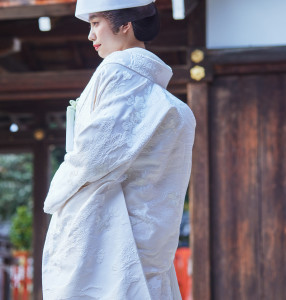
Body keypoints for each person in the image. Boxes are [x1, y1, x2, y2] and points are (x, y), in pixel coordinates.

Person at [42, 0, 196, 299]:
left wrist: (56, 195)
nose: (90, 35)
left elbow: (94, 156)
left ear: (125, 25)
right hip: (148, 228)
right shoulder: (167, 99)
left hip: (110, 230)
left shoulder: (118, 72)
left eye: (96, 23)